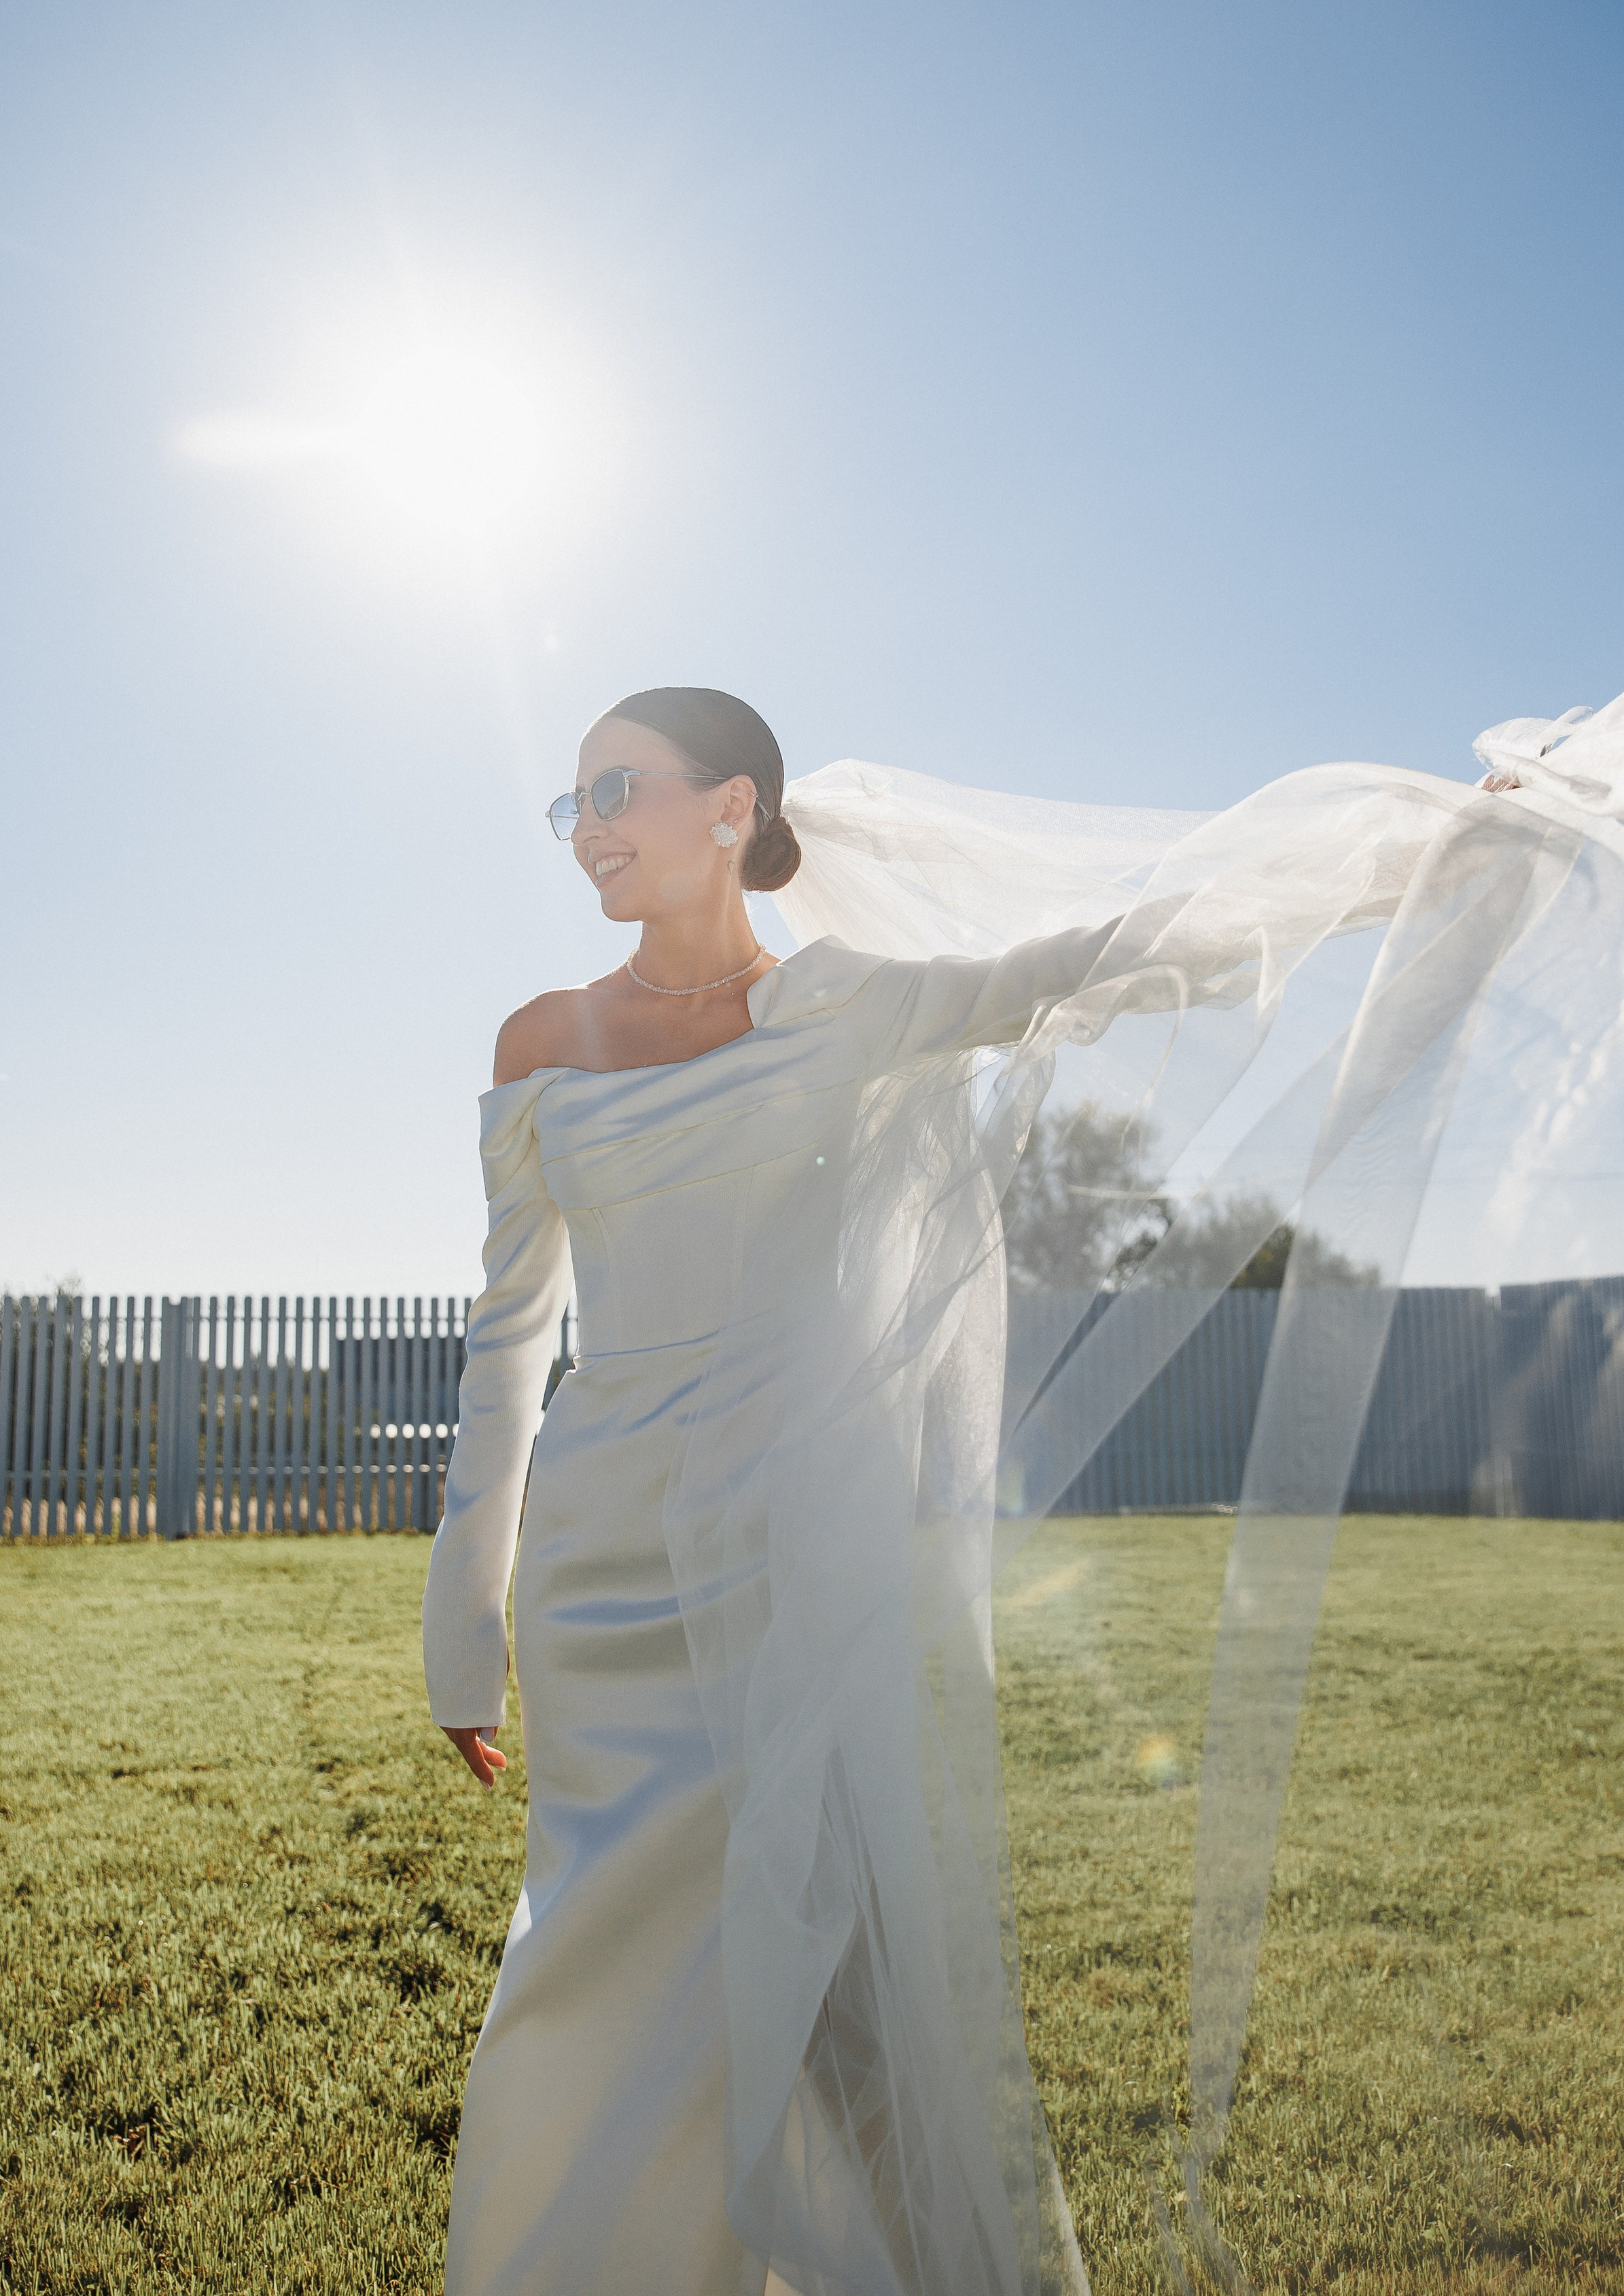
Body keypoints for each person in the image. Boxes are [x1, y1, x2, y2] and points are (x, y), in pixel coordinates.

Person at [423, 683, 1624, 2296]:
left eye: (618, 790)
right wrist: (458, 1627)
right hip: (596, 1563)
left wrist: (1405, 853)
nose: (586, 831)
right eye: (568, 804)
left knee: (802, 1946)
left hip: (781, 1548)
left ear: (731, 809)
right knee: (589, 1944)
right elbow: (505, 1348)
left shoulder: (845, 1002)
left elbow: (1103, 960)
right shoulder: (540, 1039)